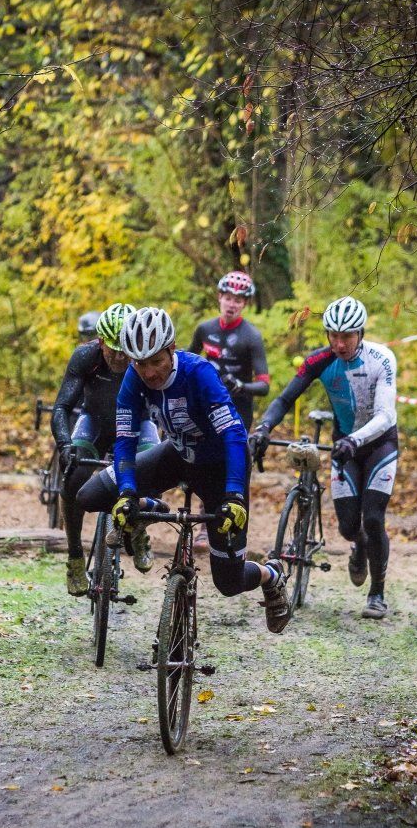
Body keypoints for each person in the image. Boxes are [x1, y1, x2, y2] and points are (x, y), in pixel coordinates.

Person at [76, 306, 292, 633]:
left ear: (172, 349)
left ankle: (271, 574)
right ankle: (150, 506)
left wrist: (234, 494)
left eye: (156, 361)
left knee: (228, 582)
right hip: (176, 455)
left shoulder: (199, 373)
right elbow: (126, 439)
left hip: (220, 468)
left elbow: (234, 435)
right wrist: (128, 492)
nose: (149, 372)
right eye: (140, 363)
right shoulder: (134, 377)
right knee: (89, 495)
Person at [249, 296, 397, 620]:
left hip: (379, 445)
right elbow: (285, 398)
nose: (340, 344)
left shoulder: (381, 359)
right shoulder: (319, 360)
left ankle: (377, 594)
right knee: (348, 527)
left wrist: (355, 439)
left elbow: (385, 415)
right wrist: (263, 428)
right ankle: (359, 545)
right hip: (345, 446)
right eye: (334, 336)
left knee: (373, 518)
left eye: (347, 337)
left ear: (360, 333)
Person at [51, 303, 160, 596]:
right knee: (74, 476)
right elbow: (62, 407)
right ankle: (75, 557)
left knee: (155, 471)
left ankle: (139, 529)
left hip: (138, 424)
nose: (120, 357)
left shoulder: (146, 359)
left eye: (125, 350)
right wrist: (65, 445)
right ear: (100, 341)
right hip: (95, 423)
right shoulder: (85, 357)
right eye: (113, 349)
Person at [188, 271, 270, 431]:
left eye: (238, 301)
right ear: (219, 297)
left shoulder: (252, 336)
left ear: (245, 304)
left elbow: (264, 386)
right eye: (228, 298)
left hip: (238, 408)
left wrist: (240, 385)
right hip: (207, 402)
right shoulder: (204, 329)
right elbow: (187, 364)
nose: (231, 305)